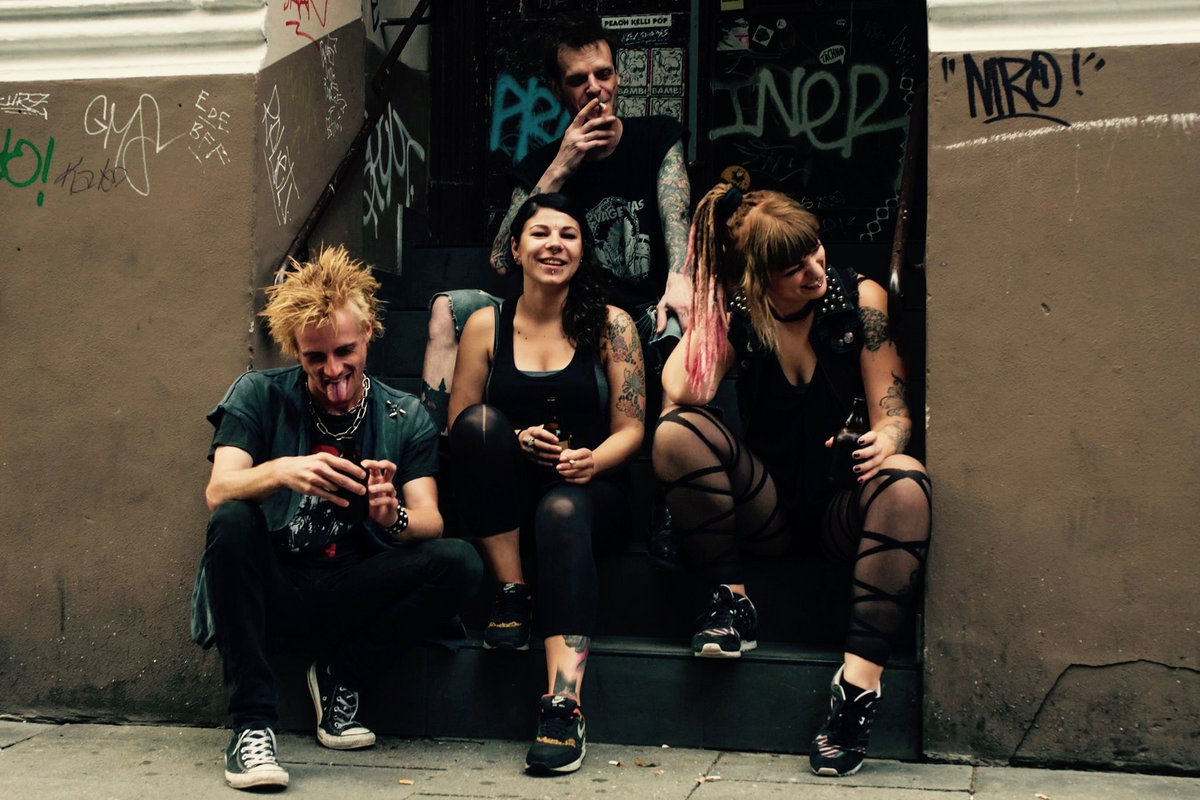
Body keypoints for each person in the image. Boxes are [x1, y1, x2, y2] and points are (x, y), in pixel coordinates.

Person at [652, 183, 931, 777]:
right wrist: (712, 297)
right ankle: (732, 602)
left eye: (815, 251)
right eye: (793, 268)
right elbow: (685, 388)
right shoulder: (740, 312)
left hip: (841, 509)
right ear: (757, 281)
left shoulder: (860, 300)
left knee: (907, 482)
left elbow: (896, 415)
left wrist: (885, 441)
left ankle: (857, 690)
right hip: (768, 510)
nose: (814, 272)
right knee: (675, 432)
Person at [190, 246, 483, 791]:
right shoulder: (258, 395)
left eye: (345, 351)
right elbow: (219, 489)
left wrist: (391, 516)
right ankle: (252, 727)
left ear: (369, 331)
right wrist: (282, 471)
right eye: (314, 358)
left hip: (353, 590)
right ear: (294, 350)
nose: (333, 371)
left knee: (460, 563)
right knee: (231, 522)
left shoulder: (404, 416)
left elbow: (430, 521)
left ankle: (340, 673)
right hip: (274, 587)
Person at [447, 193, 645, 774]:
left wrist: (592, 461)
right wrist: (514, 439)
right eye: (540, 234)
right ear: (516, 249)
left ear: (582, 252)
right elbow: (458, 424)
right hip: (508, 492)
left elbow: (633, 429)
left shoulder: (612, 324)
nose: (554, 245)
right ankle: (512, 592)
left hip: (589, 493)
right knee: (480, 426)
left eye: (568, 235)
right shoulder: (486, 324)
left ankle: (563, 705)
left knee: (561, 508)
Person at [419, 14, 690, 438]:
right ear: (558, 90)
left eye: (603, 74)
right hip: (549, 311)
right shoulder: (540, 163)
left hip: (635, 315)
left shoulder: (657, 137)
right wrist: (562, 163)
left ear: (618, 78)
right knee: (447, 310)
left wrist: (679, 278)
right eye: (578, 80)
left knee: (680, 317)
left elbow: (677, 215)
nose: (594, 88)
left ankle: (670, 454)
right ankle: (434, 452)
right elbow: (500, 260)